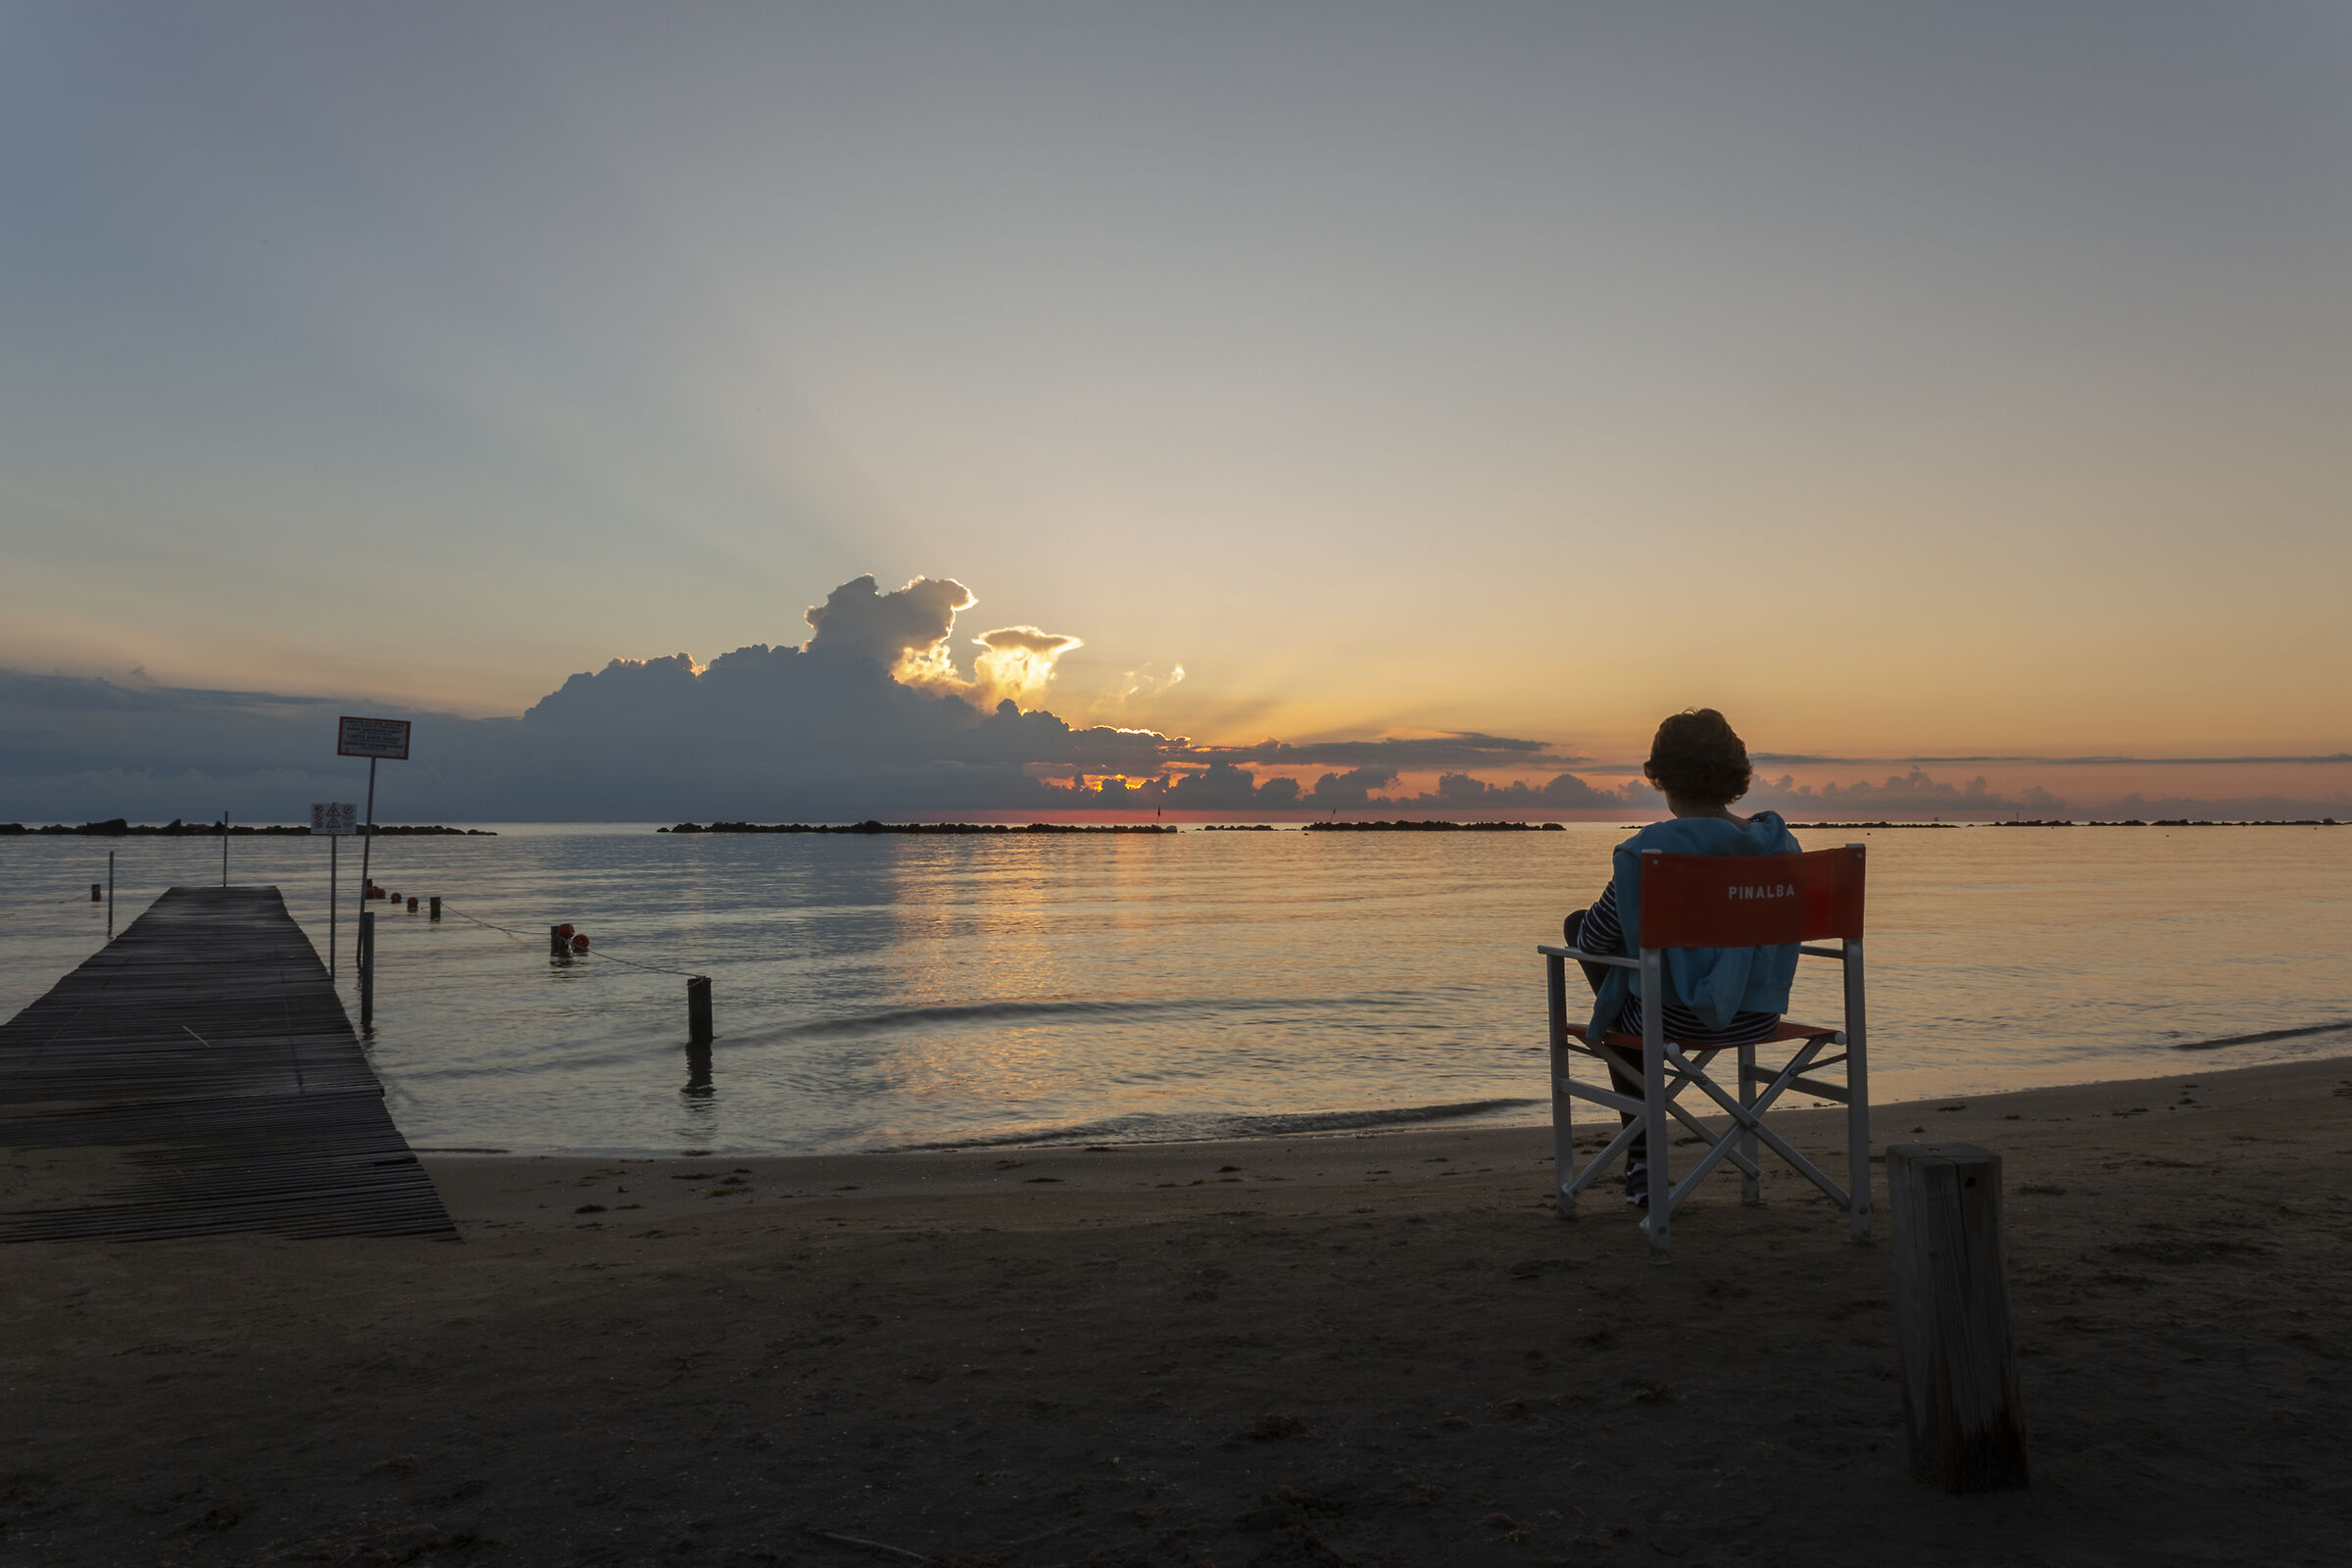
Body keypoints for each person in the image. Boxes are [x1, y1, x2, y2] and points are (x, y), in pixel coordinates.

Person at [1564, 709, 1800, 1207]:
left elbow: (1592, 940)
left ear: (1662, 779)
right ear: (1735, 779)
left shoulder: (1648, 852)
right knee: (1639, 970)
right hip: (1759, 1017)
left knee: (1579, 929)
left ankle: (1644, 1155)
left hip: (1669, 1018)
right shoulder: (1780, 845)